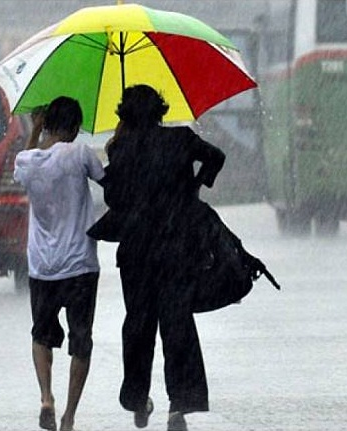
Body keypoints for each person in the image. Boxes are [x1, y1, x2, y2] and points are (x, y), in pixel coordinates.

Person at [95, 85, 225, 431]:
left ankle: (138, 398)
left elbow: (113, 200)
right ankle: (178, 405)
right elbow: (216, 156)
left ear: (124, 115)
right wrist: (195, 186)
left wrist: (119, 158)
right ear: (160, 111)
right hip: (176, 249)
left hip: (137, 253)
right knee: (176, 324)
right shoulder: (181, 139)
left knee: (138, 326)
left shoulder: (121, 149)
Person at [14, 96, 106, 431]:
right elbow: (110, 182)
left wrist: (34, 129)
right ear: (76, 126)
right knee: (81, 340)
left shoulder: (27, 160)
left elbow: (24, 165)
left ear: (47, 123)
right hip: (80, 264)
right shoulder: (80, 154)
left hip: (42, 265)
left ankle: (45, 398)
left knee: (42, 334)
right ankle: (69, 416)